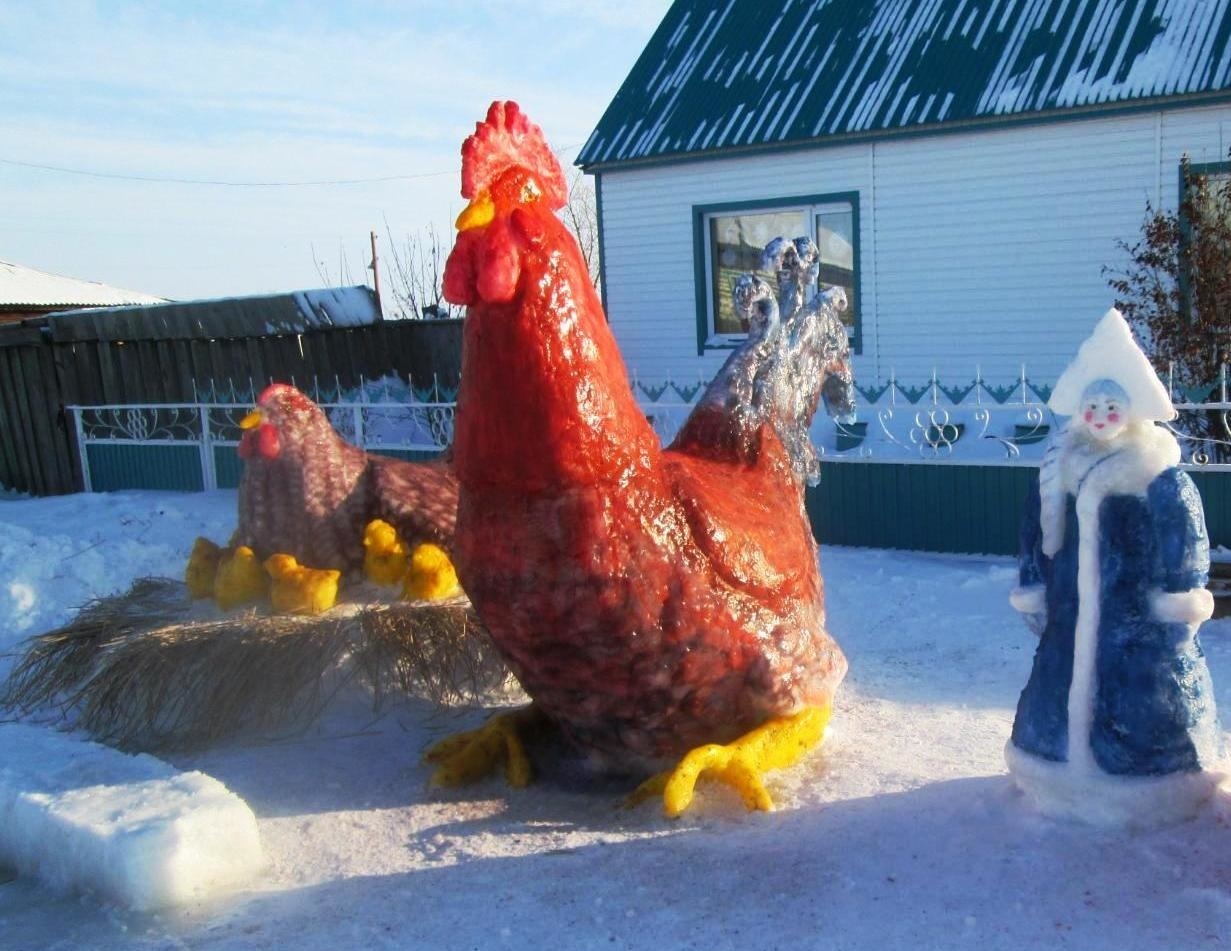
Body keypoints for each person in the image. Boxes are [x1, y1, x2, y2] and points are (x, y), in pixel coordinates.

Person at [1008, 308, 1224, 826]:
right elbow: (1035, 530)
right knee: (1057, 694)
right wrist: (1033, 584)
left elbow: (1186, 539)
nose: (1102, 414)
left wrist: (1178, 601)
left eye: (1113, 405)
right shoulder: (1058, 468)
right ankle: (1050, 771)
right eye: (1093, 405)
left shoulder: (1157, 474)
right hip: (1068, 615)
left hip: (1138, 628)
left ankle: (1153, 784)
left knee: (1136, 705)